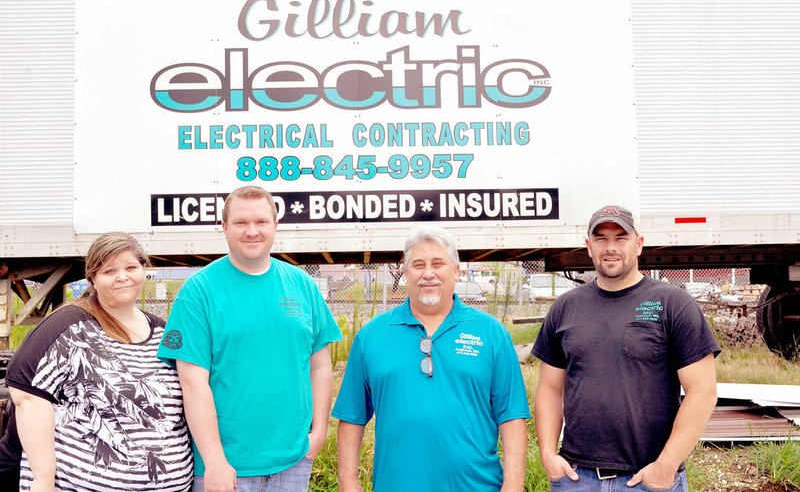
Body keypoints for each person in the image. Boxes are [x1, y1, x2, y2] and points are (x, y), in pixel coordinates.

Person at [157, 185, 342, 492]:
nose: (251, 231)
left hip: (293, 462)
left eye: (261, 222)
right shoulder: (199, 291)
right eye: (241, 223)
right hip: (225, 469)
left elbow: (320, 366)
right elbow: (192, 382)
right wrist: (215, 461)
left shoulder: (302, 285)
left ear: (275, 225)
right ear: (225, 227)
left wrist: (318, 433)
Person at [532, 205, 720, 491]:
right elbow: (549, 387)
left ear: (639, 244)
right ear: (589, 246)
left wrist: (666, 466)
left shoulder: (674, 304)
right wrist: (547, 453)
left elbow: (703, 391)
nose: (610, 247)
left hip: (649, 480)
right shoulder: (566, 307)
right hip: (577, 479)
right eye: (601, 239)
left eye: (621, 238)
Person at [334, 226, 530, 492]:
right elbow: (352, 416)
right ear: (405, 273)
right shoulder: (372, 336)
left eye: (438, 263)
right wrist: (348, 481)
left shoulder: (490, 333)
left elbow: (512, 415)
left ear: (456, 270)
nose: (428, 273)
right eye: (418, 265)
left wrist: (514, 484)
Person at [2, 232, 193, 491]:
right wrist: (43, 479)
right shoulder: (68, 327)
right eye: (109, 271)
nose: (122, 277)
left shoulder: (163, 333)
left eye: (131, 267)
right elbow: (26, 393)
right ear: (92, 277)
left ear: (144, 270)